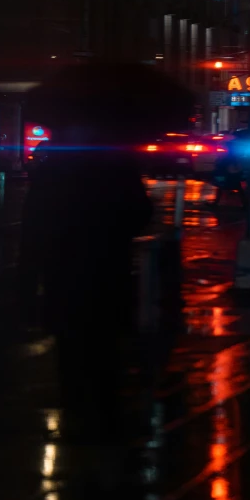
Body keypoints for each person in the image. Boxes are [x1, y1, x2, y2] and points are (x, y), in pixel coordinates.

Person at [19, 124, 153, 457]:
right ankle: (104, 422)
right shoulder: (117, 168)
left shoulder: (52, 174)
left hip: (64, 277)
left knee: (71, 351)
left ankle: (77, 419)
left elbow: (32, 231)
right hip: (107, 273)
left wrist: (26, 284)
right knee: (105, 351)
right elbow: (141, 215)